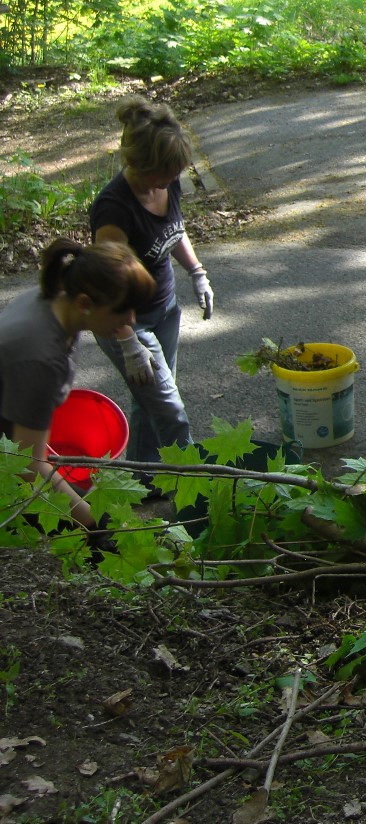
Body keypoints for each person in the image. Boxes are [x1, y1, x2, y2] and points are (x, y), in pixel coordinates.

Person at [90, 97, 214, 467]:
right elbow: (108, 285)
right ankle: (194, 482)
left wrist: (197, 272)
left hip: (165, 311)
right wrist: (128, 343)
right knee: (171, 411)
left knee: (151, 403)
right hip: (128, 322)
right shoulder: (114, 209)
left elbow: (174, 230)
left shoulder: (167, 183)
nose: (172, 181)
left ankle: (144, 479)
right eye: (165, 174)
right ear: (137, 164)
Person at [0, 239, 155, 530]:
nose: (131, 319)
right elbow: (26, 464)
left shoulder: (56, 300)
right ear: (85, 303)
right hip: (12, 460)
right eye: (122, 310)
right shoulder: (41, 356)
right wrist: (91, 522)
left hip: (12, 439)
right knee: (102, 528)